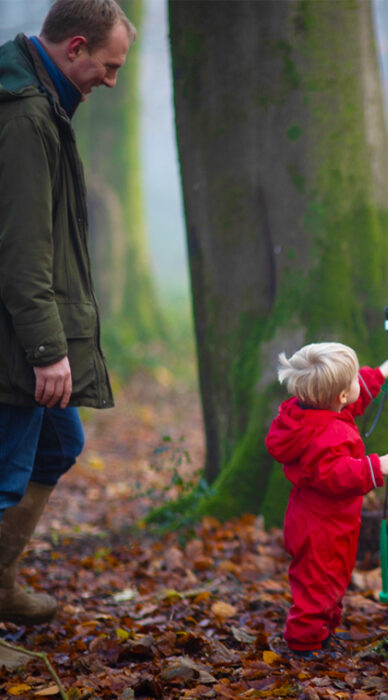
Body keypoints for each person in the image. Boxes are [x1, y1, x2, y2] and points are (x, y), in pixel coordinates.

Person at [0, 0, 135, 634]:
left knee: (60, 444)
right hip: (15, 338)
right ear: (74, 48)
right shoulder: (27, 117)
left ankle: (1, 584)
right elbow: (24, 249)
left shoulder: (45, 106)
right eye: (108, 67)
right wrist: (47, 350)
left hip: (24, 332)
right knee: (4, 476)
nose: (111, 82)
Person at [265, 343, 388, 658]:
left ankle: (322, 632)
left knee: (332, 579)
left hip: (325, 521)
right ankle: (305, 644)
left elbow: (351, 404)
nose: (358, 383)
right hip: (321, 527)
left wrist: (378, 374)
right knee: (318, 585)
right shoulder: (328, 434)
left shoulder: (313, 415)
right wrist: (372, 467)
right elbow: (335, 474)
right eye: (354, 379)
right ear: (340, 395)